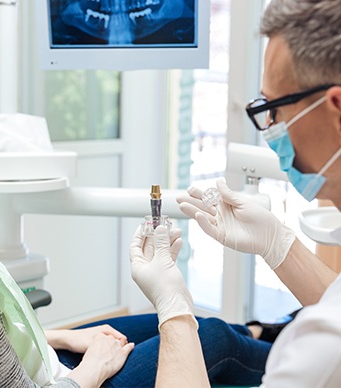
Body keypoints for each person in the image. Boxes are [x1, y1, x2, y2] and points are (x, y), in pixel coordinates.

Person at [0, 31, 282, 388]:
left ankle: (269, 332)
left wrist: (60, 336)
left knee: (212, 328)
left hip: (38, 361)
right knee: (212, 337)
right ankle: (308, 358)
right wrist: (94, 366)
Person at [131, 0, 341, 386]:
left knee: (215, 336)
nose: (271, 128)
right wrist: (278, 244)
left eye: (274, 108)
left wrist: (174, 311)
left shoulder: (323, 347)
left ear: (337, 108)